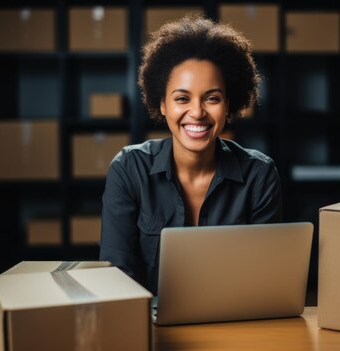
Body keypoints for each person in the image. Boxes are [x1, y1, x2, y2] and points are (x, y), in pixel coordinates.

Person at [99, 16, 282, 295]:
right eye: (182, 98)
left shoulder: (259, 174)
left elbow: (266, 280)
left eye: (212, 98)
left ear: (228, 104)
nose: (197, 112)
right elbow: (116, 277)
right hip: (149, 327)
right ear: (162, 104)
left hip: (234, 325)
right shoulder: (129, 169)